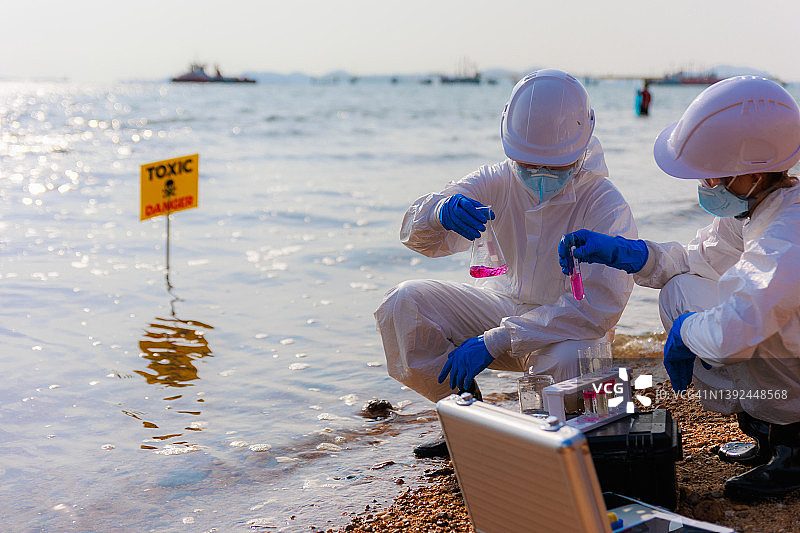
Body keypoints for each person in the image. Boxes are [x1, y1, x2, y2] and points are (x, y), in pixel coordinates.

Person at [559, 75, 800, 501]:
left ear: (755, 173)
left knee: (713, 324)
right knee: (680, 289)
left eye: (712, 176)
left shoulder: (786, 233)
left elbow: (735, 332)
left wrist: (686, 330)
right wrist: (630, 253)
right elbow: (695, 260)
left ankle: (795, 446)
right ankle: (770, 433)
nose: (706, 185)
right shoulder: (759, 207)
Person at [375, 69, 638, 458]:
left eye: (555, 167)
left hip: (567, 331)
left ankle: (548, 443)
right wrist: (437, 213)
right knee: (404, 304)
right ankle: (465, 420)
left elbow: (595, 311)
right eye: (528, 165)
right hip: (500, 308)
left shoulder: (604, 204)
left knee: (566, 366)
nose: (540, 176)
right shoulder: (495, 180)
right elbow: (417, 237)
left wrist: (492, 341)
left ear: (582, 150)